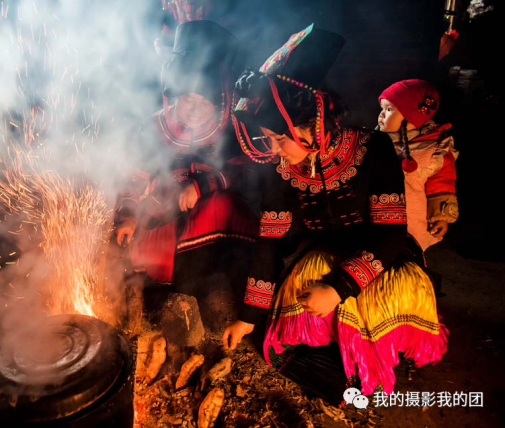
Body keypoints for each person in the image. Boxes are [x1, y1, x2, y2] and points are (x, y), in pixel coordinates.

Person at [222, 24, 448, 400]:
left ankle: (376, 356)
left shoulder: (372, 149)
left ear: (316, 123)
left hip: (381, 256)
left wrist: (339, 288)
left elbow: (391, 234)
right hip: (321, 252)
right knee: (305, 285)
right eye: (268, 139)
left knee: (396, 290)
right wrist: (248, 317)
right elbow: (269, 243)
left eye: (280, 137)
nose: (274, 148)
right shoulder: (280, 170)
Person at [114, 20, 258, 326]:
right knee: (142, 247)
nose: (192, 109)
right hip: (167, 205)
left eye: (202, 101)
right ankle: (161, 286)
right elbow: (136, 173)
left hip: (215, 209)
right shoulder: (156, 125)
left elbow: (244, 171)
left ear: (219, 99)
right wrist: (127, 214)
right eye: (186, 99)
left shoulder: (233, 127)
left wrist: (203, 185)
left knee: (217, 207)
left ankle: (204, 288)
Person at [377, 79, 459, 252]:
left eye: (389, 109)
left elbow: (441, 185)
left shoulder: (434, 151)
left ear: (412, 117)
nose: (381, 115)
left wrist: (440, 216)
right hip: (375, 215)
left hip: (411, 220)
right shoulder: (373, 141)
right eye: (382, 109)